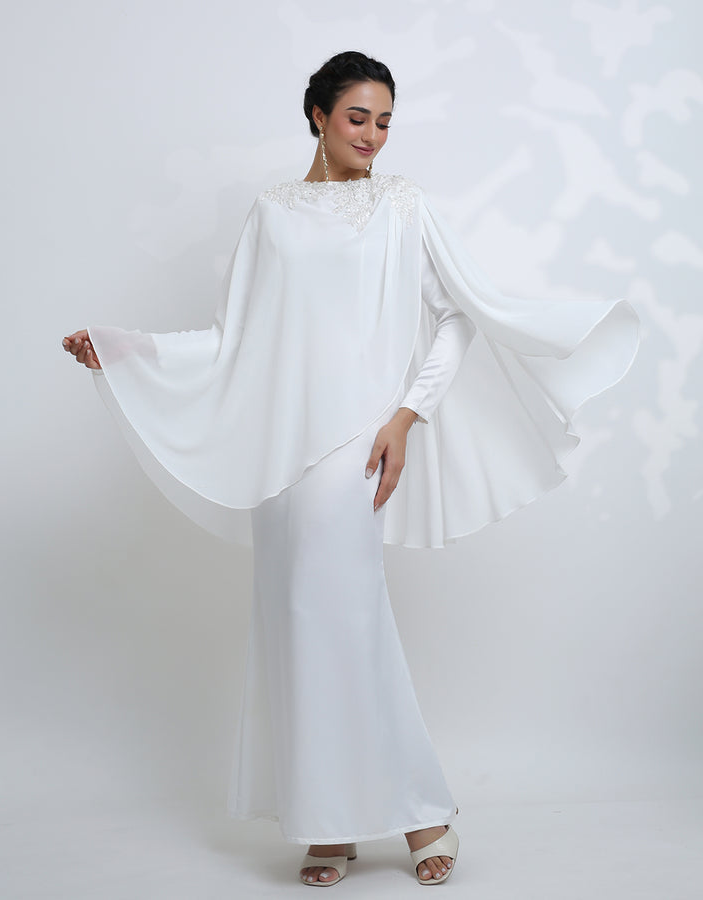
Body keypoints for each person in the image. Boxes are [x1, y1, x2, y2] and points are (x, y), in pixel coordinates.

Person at [62, 51, 640, 887]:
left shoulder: (402, 206)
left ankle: (423, 815)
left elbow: (455, 319)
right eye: (357, 117)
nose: (372, 135)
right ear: (319, 116)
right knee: (299, 626)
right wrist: (125, 351)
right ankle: (329, 824)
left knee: (348, 620)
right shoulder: (272, 213)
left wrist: (409, 415)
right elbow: (233, 341)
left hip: (357, 446)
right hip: (281, 454)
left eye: (384, 121)